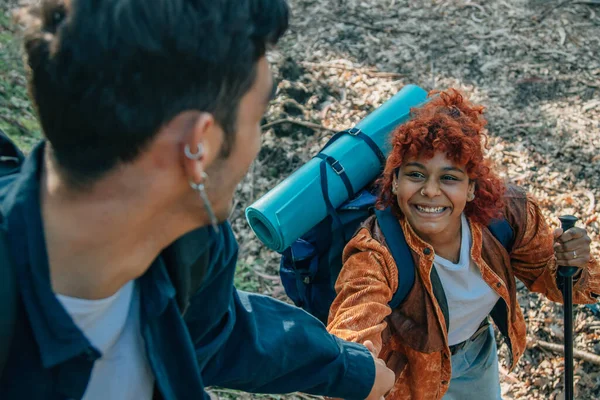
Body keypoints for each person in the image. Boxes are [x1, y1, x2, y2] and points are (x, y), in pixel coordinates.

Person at [0, 0, 395, 399]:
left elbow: (220, 330)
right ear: (198, 147)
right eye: (258, 119)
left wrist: (349, 367)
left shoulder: (187, 243)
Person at [326, 88, 600, 400]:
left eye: (449, 178)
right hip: (408, 377)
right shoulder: (376, 250)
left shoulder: (506, 216)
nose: (430, 191)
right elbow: (354, 315)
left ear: (471, 189)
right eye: (416, 174)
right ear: (395, 181)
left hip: (477, 356)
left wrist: (572, 266)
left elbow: (557, 282)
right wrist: (355, 363)